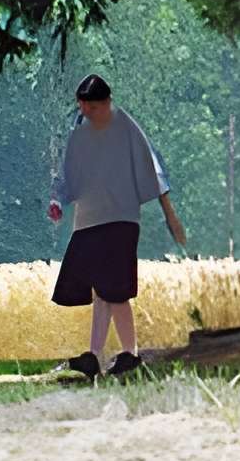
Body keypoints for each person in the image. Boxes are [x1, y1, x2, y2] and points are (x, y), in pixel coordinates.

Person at [45, 75, 184, 377]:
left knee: (115, 289)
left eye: (92, 108)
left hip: (120, 218)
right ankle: (94, 356)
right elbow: (68, 174)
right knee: (99, 289)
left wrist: (170, 215)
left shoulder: (125, 128)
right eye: (83, 108)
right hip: (88, 220)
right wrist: (57, 201)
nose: (87, 114)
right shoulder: (80, 133)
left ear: (107, 103)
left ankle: (129, 355)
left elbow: (153, 170)